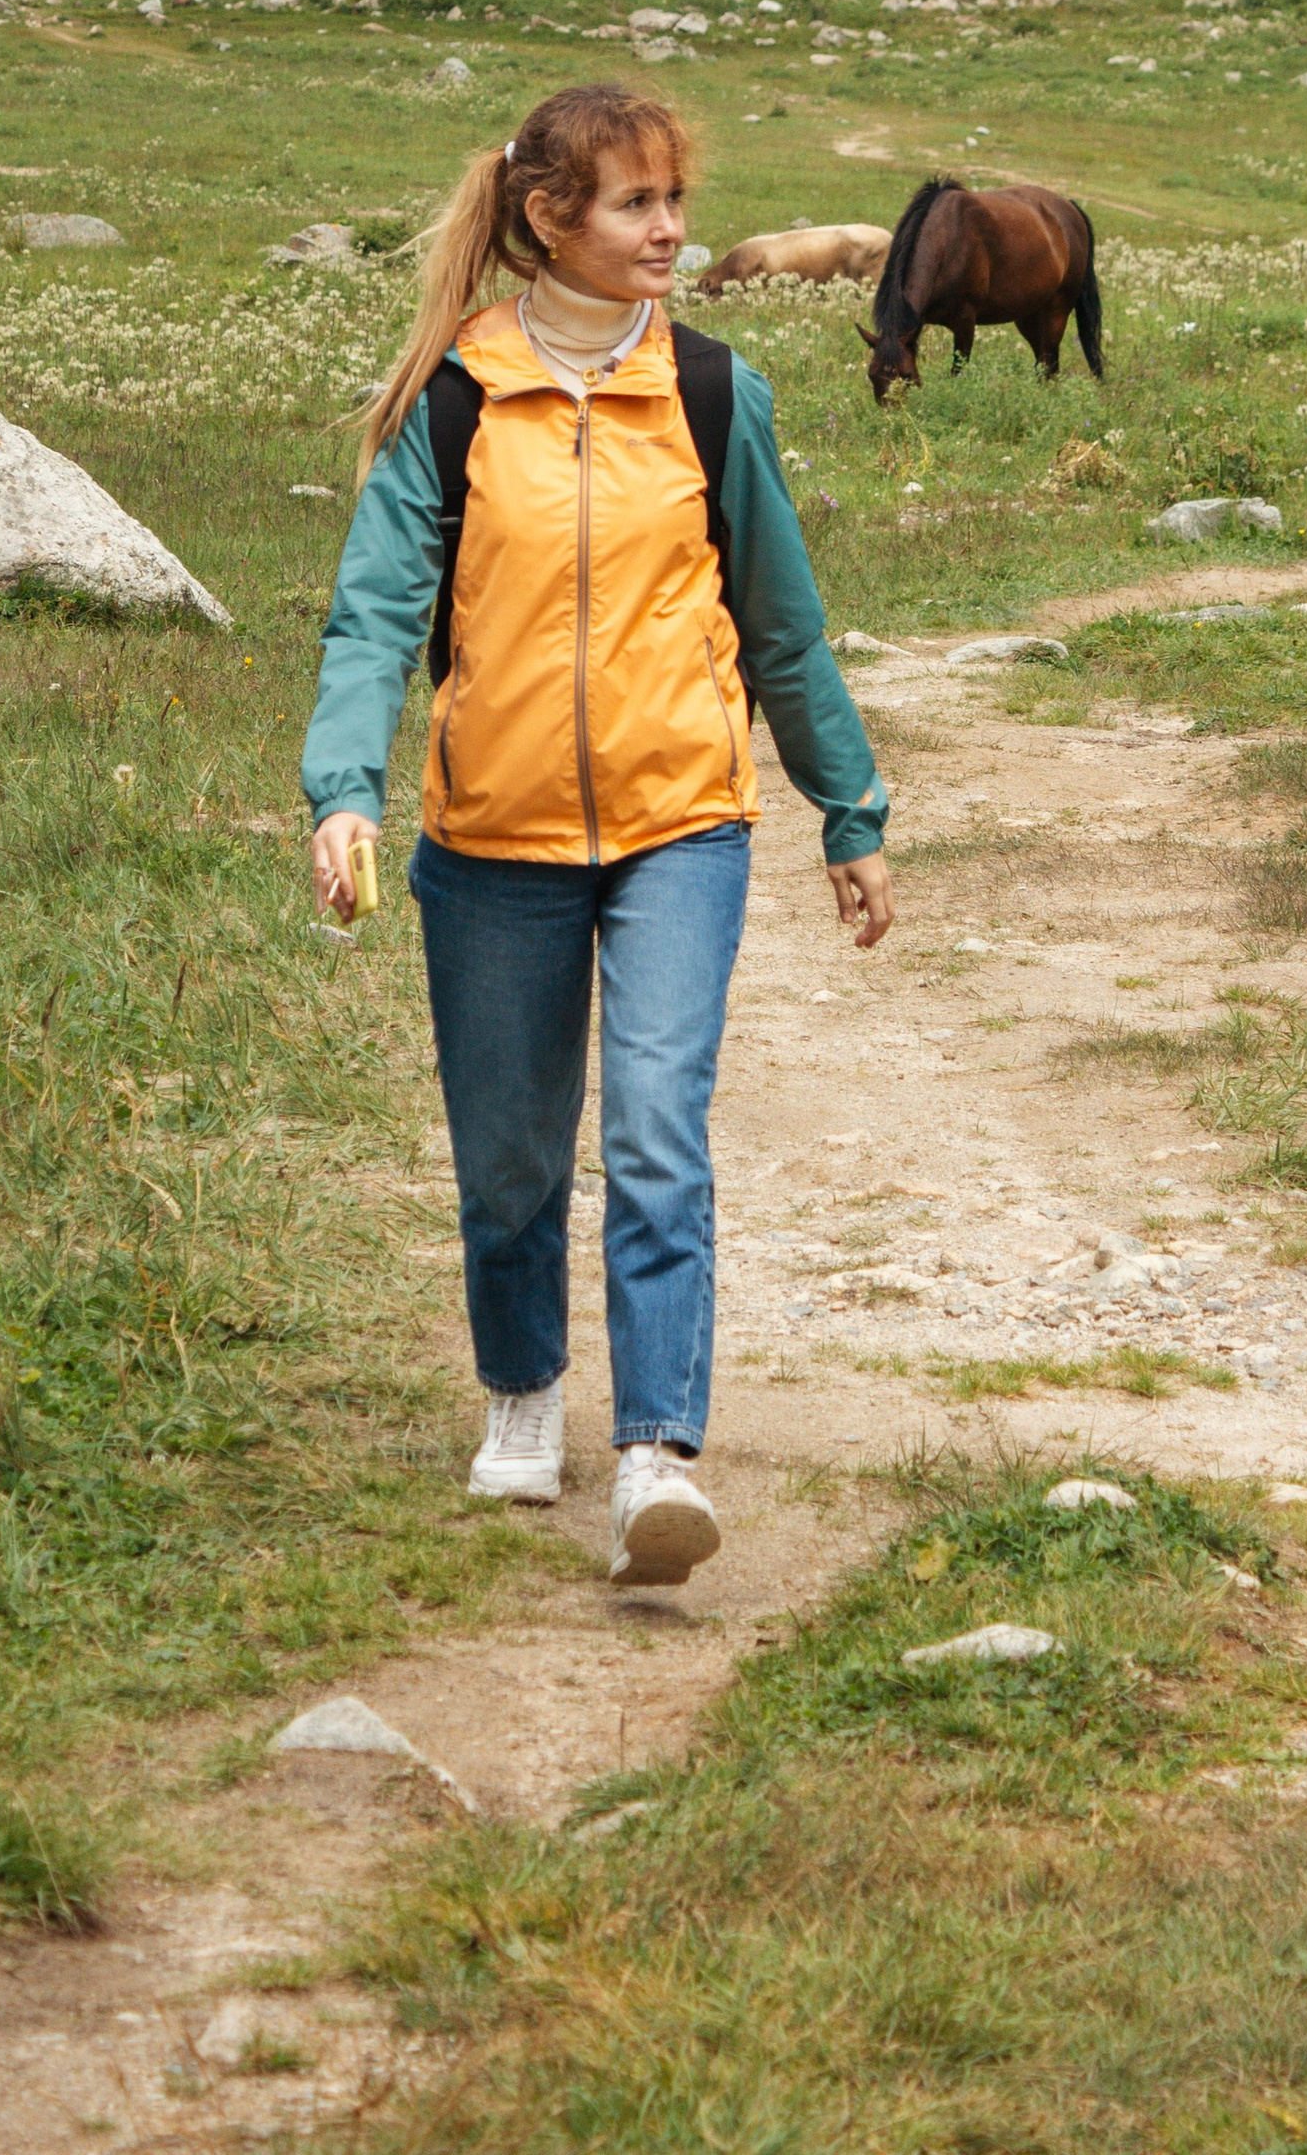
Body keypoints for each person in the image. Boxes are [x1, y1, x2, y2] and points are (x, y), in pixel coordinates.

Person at [302, 83, 891, 1589]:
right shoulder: (453, 397)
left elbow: (782, 622)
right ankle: (522, 1389)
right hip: (491, 838)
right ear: (549, 218)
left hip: (681, 822)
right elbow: (373, 618)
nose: (672, 229)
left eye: (675, 199)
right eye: (638, 203)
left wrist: (847, 807)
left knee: (653, 1131)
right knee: (510, 1156)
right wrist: (344, 789)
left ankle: (654, 1457)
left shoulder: (712, 390)